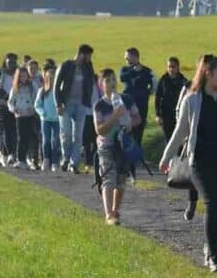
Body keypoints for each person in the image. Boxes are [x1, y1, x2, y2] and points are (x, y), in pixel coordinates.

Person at [159, 55, 217, 272]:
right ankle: (214, 257)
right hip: (201, 162)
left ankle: (210, 246)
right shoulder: (192, 100)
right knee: (212, 203)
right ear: (208, 73)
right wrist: (166, 157)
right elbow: (180, 131)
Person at [93, 69, 141, 225]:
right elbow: (99, 130)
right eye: (107, 80)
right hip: (106, 146)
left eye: (113, 79)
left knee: (121, 180)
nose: (111, 83)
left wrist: (128, 124)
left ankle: (115, 211)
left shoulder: (126, 99)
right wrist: (115, 116)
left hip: (123, 146)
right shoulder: (99, 105)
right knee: (108, 179)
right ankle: (108, 215)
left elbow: (137, 118)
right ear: (101, 84)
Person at [155, 56, 198, 220]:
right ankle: (192, 203)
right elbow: (179, 108)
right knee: (192, 171)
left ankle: (213, 212)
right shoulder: (188, 86)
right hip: (189, 135)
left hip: (213, 142)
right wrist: (185, 125)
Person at [55, 44, 96, 173]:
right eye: (88, 56)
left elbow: (91, 83)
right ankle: (66, 158)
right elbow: (57, 85)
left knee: (78, 136)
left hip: (81, 105)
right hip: (66, 105)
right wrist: (58, 104)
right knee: (66, 135)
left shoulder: (88, 67)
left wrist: (88, 101)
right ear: (81, 54)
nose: (89, 59)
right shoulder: (66, 65)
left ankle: (74, 163)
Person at [120, 47, 156, 146]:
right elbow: (122, 78)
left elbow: (154, 83)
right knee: (128, 129)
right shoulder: (125, 69)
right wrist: (133, 71)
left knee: (139, 130)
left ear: (135, 57)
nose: (125, 58)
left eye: (127, 56)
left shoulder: (147, 71)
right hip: (128, 104)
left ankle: (138, 151)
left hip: (141, 104)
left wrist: (148, 93)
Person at [7, 66, 40, 170]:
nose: (23, 78)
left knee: (33, 137)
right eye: (21, 76)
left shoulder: (32, 86)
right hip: (20, 116)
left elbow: (38, 99)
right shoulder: (15, 88)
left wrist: (33, 108)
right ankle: (21, 160)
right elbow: (10, 102)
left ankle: (34, 160)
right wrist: (14, 110)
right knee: (22, 138)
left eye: (24, 75)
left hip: (31, 115)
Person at [155, 56, 189, 140]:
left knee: (179, 139)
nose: (171, 69)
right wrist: (158, 115)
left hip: (179, 115)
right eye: (169, 67)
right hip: (166, 115)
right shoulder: (163, 80)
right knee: (168, 139)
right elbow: (158, 97)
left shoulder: (183, 81)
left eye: (173, 67)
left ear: (178, 67)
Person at [35, 62, 61, 172]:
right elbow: (37, 105)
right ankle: (46, 160)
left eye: (54, 78)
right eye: (50, 78)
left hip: (57, 120)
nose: (52, 80)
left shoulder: (59, 91)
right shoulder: (42, 91)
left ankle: (55, 162)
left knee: (56, 141)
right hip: (45, 120)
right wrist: (43, 113)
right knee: (46, 140)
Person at [0, 53, 19, 165]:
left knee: (14, 130)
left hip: (16, 104)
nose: (11, 64)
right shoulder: (0, 73)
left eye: (13, 62)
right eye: (9, 62)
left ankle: (11, 153)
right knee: (6, 130)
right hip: (3, 105)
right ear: (5, 63)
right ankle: (7, 153)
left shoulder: (19, 73)